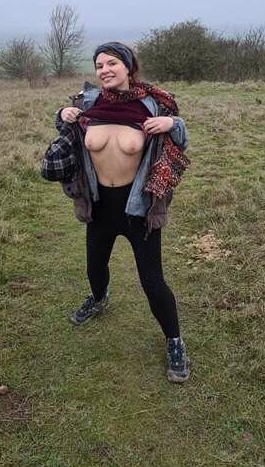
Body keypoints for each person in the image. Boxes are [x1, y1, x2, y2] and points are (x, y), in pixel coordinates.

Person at [56, 41, 191, 383]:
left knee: (152, 282)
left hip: (138, 210)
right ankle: (99, 299)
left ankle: (174, 341)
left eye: (112, 63)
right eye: (99, 65)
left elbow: (181, 135)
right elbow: (66, 129)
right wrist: (62, 114)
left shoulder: (152, 104)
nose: (104, 70)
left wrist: (171, 123)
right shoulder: (88, 102)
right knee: (94, 267)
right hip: (100, 206)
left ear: (129, 67)